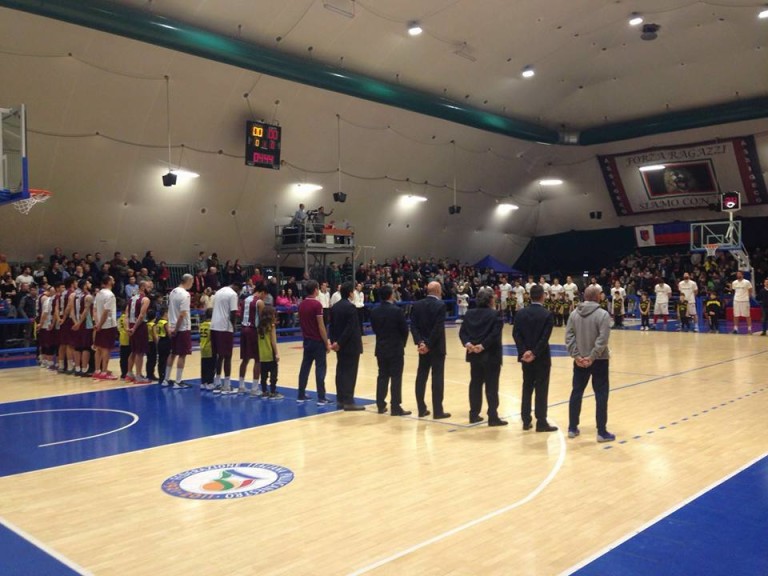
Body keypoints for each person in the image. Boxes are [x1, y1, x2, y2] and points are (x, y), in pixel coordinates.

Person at [565, 285, 614, 443]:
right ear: (597, 297)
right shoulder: (603, 314)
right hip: (599, 360)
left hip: (579, 361)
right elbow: (603, 339)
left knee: (576, 392)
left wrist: (577, 356)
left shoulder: (574, 314)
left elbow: (569, 337)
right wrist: (592, 357)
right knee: (601, 394)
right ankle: (601, 432)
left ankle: (572, 428)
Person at [513, 284, 557, 432]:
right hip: (541, 358)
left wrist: (524, 352)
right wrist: (535, 353)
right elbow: (544, 338)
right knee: (541, 389)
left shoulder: (520, 313)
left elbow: (516, 334)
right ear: (543, 296)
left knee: (527, 387)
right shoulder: (547, 314)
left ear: (529, 296)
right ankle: (541, 421)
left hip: (526, 358)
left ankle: (526, 420)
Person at [459, 286, 506, 426]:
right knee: (492, 386)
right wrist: (482, 345)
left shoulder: (469, 313)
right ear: (490, 299)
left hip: (473, 354)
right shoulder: (495, 314)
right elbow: (495, 334)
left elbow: (462, 332)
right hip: (491, 355)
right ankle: (493, 416)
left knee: (475, 384)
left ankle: (473, 414)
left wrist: (468, 344)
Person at [410, 281, 451, 419]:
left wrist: (420, 342)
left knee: (421, 376)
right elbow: (437, 328)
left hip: (422, 348)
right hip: (436, 347)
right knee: (437, 377)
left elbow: (413, 326)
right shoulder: (440, 305)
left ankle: (421, 409)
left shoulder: (417, 304)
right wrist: (428, 344)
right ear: (438, 291)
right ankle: (438, 411)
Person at [370, 284, 411, 416]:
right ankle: (395, 406)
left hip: (381, 347)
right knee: (396, 377)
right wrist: (402, 344)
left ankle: (380, 405)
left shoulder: (374, 311)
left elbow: (374, 328)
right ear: (390, 295)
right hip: (395, 348)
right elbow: (405, 330)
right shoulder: (397, 311)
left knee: (382, 376)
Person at [329, 282, 365, 411]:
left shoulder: (335, 307)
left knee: (341, 371)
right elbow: (350, 328)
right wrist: (340, 342)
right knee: (350, 373)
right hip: (350, 345)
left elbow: (331, 326)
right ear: (350, 293)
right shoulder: (351, 308)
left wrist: (334, 342)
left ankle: (340, 399)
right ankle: (349, 401)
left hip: (340, 346)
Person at [296, 279, 332, 404]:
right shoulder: (317, 305)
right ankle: (321, 397)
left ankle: (301, 394)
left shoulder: (301, 305)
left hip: (307, 340)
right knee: (320, 368)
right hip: (317, 341)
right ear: (316, 290)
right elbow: (321, 326)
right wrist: (326, 342)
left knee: (305, 367)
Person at [163, 274, 194, 389]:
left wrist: (172, 327)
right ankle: (178, 381)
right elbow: (182, 314)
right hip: (182, 328)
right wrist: (176, 329)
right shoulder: (185, 295)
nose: (192, 284)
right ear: (188, 281)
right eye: (192, 282)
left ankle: (166, 379)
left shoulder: (173, 292)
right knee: (182, 354)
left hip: (172, 325)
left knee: (173, 353)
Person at [211, 281, 241, 394]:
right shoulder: (233, 294)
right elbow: (233, 313)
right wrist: (233, 326)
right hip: (225, 327)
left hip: (214, 326)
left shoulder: (218, 292)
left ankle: (217, 382)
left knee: (219, 356)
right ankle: (227, 385)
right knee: (228, 356)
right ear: (236, 287)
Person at [238, 282, 266, 394]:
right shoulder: (259, 302)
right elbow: (263, 320)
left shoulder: (245, 300)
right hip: (253, 330)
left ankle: (241, 386)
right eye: (265, 295)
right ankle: (254, 388)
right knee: (258, 359)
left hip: (243, 329)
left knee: (245, 359)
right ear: (262, 292)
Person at [125, 280, 152, 384]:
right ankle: (138, 376)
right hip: (139, 326)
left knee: (133, 351)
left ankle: (129, 373)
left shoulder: (131, 298)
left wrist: (128, 328)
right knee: (140, 352)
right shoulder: (145, 299)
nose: (150, 289)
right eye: (149, 287)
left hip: (131, 325)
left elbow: (126, 315)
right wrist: (135, 328)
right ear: (143, 287)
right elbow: (141, 316)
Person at [92, 275, 118, 380]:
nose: (114, 280)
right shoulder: (110, 295)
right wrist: (100, 324)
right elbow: (106, 311)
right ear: (109, 282)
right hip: (108, 325)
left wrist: (97, 323)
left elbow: (94, 310)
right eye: (112, 279)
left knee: (98, 348)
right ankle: (104, 372)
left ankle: (97, 370)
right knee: (106, 348)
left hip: (100, 324)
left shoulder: (98, 294)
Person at [257, 305, 282, 399]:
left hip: (262, 354)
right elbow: (273, 341)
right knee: (273, 373)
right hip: (270, 353)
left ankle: (264, 391)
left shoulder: (259, 327)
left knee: (263, 374)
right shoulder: (271, 326)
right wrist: (276, 353)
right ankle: (273, 391)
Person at [731, 270, 753, 334]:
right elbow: (734, 291)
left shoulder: (747, 282)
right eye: (737, 274)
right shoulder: (734, 282)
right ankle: (735, 329)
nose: (738, 275)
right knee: (736, 315)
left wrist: (747, 297)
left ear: (742, 275)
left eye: (739, 274)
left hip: (745, 300)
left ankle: (749, 329)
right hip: (736, 300)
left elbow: (750, 290)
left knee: (747, 315)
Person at [199, 309, 215, 391]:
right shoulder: (212, 325)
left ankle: (203, 382)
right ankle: (210, 382)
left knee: (204, 366)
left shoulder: (202, 324)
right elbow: (213, 337)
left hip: (203, 347)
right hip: (210, 348)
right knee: (211, 366)